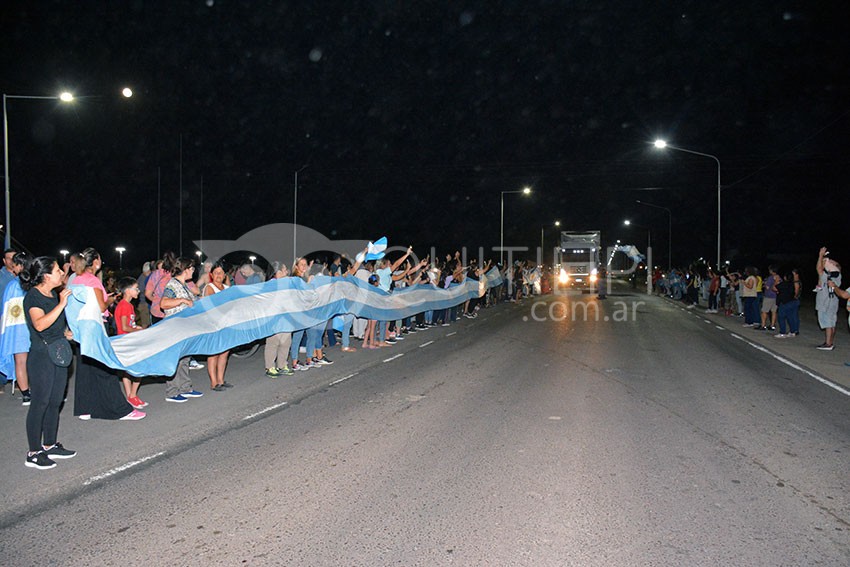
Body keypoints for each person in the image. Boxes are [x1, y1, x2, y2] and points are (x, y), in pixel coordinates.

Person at [72, 248, 143, 421]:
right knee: (106, 368)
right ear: (95, 262)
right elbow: (101, 307)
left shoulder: (75, 279)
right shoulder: (92, 280)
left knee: (86, 369)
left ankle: (85, 408)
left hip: (80, 328)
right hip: (94, 326)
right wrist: (109, 300)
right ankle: (120, 410)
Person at [21, 257, 76, 469]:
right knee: (40, 403)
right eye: (57, 270)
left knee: (55, 401)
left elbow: (54, 326)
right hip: (42, 356)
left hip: (58, 351)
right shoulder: (33, 297)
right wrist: (62, 304)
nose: (62, 273)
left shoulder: (52, 294)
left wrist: (65, 333)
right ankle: (34, 452)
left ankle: (50, 444)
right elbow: (40, 324)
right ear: (46, 276)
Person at [160, 257, 205, 401]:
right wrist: (183, 300)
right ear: (186, 269)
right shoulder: (173, 284)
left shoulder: (184, 285)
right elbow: (164, 303)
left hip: (184, 328)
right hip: (174, 327)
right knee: (175, 359)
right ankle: (172, 391)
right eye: (192, 268)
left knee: (185, 359)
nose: (194, 271)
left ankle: (185, 387)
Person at [0, 251, 32, 404]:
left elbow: (6, 310)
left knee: (20, 361)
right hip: (33, 326)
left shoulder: (12, 285)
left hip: (16, 329)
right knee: (35, 360)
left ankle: (26, 394)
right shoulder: (35, 282)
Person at [114, 277, 147, 409]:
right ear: (127, 291)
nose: (138, 291)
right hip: (126, 341)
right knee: (139, 368)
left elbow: (127, 325)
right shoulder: (125, 306)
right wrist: (137, 330)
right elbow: (125, 327)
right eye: (136, 288)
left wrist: (135, 328)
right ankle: (132, 394)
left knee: (127, 370)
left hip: (126, 340)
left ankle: (131, 396)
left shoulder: (126, 305)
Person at [203, 262, 232, 390]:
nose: (218, 275)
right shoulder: (209, 287)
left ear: (225, 275)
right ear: (211, 275)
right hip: (213, 324)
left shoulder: (227, 288)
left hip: (225, 323)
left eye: (220, 273)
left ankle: (220, 379)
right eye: (215, 273)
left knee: (224, 352)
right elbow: (210, 306)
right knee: (213, 353)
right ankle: (213, 382)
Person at [264, 263, 294, 377]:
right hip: (274, 318)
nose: (286, 272)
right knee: (273, 343)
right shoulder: (270, 285)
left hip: (286, 317)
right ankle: (270, 367)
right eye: (284, 270)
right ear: (278, 272)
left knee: (286, 342)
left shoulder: (286, 284)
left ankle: (282, 365)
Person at [815, 247, 841, 351]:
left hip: (826, 301)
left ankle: (828, 344)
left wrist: (821, 255)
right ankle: (830, 342)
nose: (827, 262)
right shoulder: (836, 275)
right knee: (831, 322)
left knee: (827, 323)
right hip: (833, 301)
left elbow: (819, 269)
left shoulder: (830, 274)